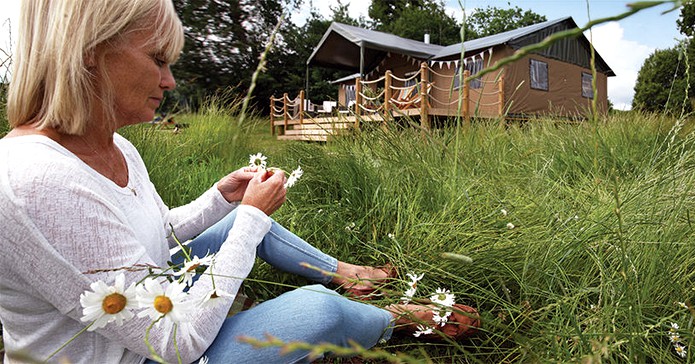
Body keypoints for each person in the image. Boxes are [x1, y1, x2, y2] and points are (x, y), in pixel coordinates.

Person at [0, 0, 480, 363]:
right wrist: (250, 216)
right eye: (158, 59)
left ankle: (348, 276)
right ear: (90, 56)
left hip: (151, 310)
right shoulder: (37, 181)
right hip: (148, 351)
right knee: (318, 311)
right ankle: (395, 320)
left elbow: (150, 234)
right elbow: (174, 341)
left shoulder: (115, 146)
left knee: (244, 224)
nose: (170, 81)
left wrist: (221, 202)